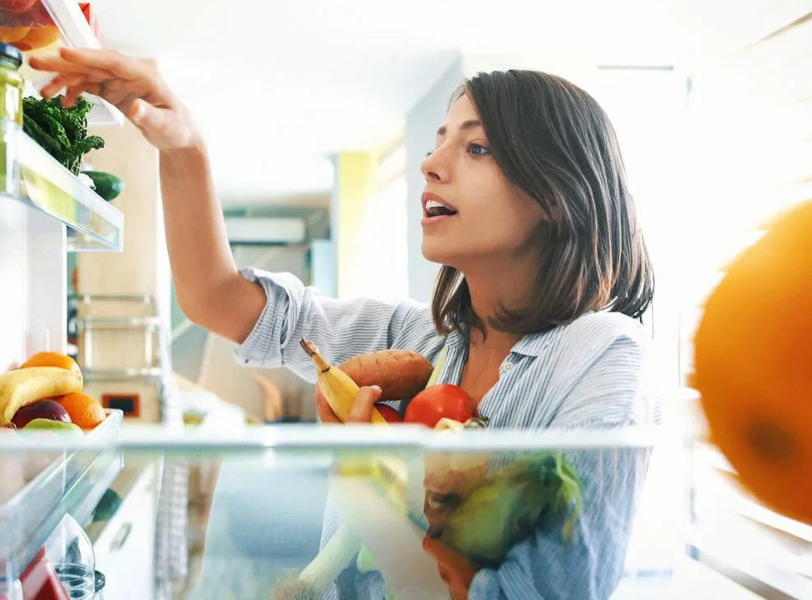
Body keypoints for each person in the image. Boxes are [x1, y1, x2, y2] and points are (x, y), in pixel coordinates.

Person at [32, 48, 657, 599]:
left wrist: (364, 482)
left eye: (476, 146)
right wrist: (183, 142)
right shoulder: (416, 341)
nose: (431, 163)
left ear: (557, 192)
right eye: (439, 139)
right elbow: (217, 299)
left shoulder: (602, 356)